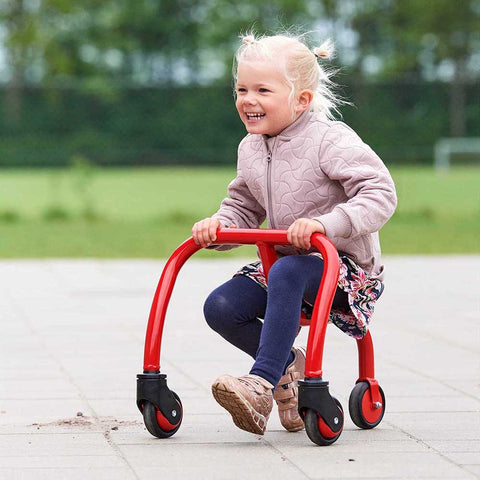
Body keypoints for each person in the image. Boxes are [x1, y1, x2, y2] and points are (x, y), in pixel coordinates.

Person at [191, 31, 397, 436]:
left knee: (287, 273)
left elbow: (380, 193)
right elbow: (243, 206)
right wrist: (220, 227)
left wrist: (326, 224)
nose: (248, 99)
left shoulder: (329, 139)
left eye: (262, 90)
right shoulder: (250, 147)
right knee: (221, 306)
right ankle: (287, 369)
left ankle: (261, 383)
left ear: (301, 99)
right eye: (241, 89)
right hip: (286, 263)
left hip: (346, 270)